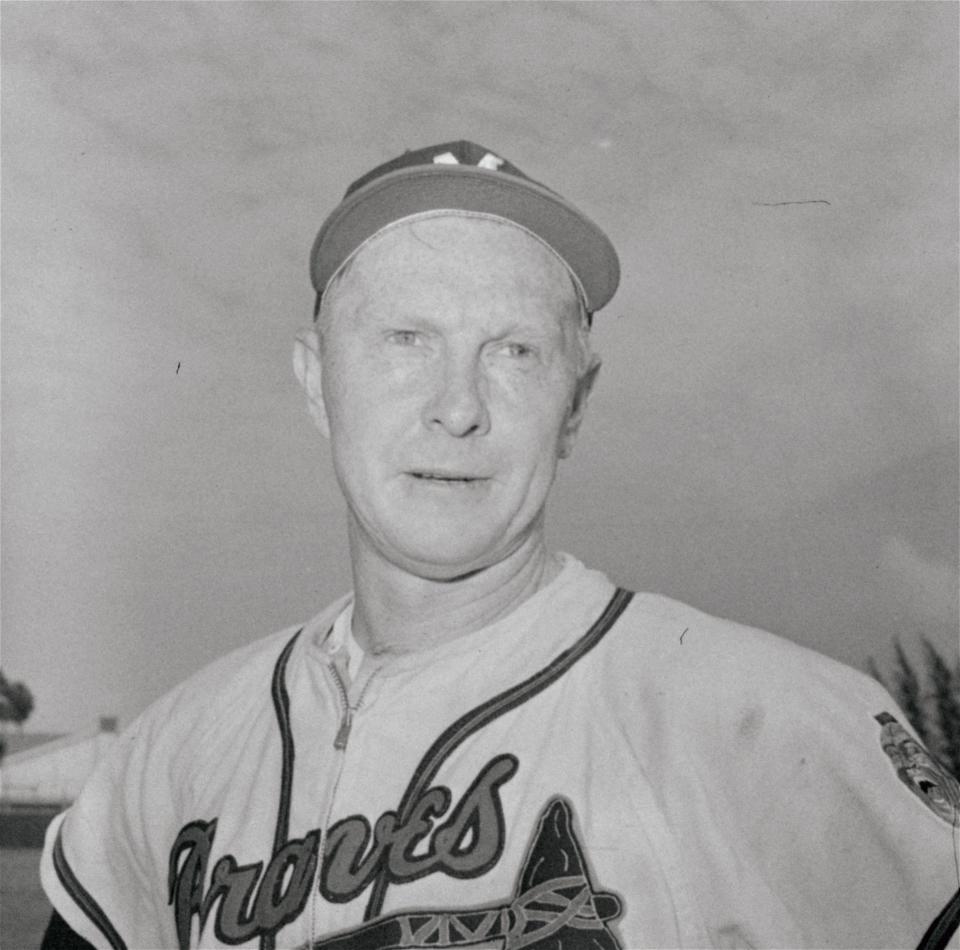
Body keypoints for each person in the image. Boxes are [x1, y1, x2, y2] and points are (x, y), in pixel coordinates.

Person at [40, 140, 959, 950]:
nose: (459, 406)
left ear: (576, 405)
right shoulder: (170, 760)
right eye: (405, 340)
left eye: (515, 351)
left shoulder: (768, 726)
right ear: (317, 383)